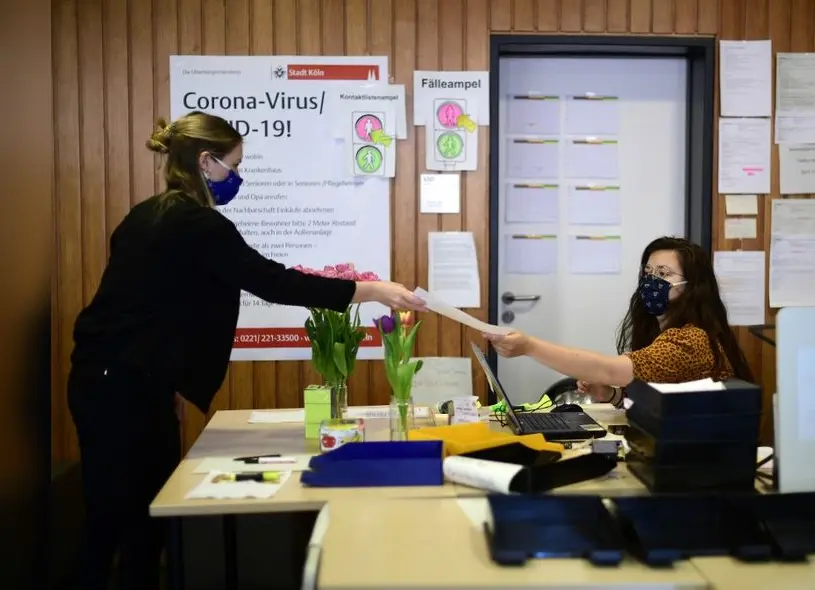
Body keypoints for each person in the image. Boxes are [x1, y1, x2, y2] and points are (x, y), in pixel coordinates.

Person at [67, 111, 426, 589]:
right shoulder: (198, 226)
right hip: (122, 388)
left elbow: (148, 308)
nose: (237, 177)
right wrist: (371, 289)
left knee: (121, 519)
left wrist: (166, 381)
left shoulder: (147, 215)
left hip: (112, 380)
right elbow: (273, 282)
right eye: (233, 166)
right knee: (128, 523)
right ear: (205, 161)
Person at [485, 236, 753, 406]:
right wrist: (610, 396)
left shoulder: (691, 340)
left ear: (692, 286)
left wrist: (529, 347)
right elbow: (663, 403)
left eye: (664, 273)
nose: (651, 280)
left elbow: (610, 371)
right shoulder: (663, 333)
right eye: (648, 272)